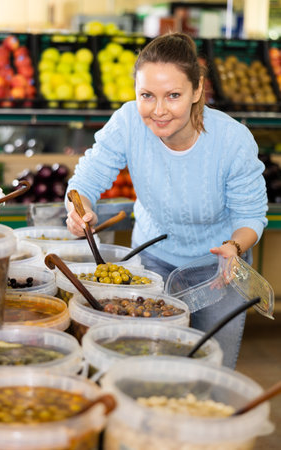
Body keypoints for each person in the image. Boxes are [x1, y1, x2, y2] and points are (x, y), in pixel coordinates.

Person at [64, 32, 268, 368]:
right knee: (147, 367)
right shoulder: (128, 122)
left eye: (173, 95)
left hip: (220, 270)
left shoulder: (232, 140)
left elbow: (251, 215)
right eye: (147, 95)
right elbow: (86, 180)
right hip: (151, 266)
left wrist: (234, 246)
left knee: (211, 369)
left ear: (197, 90)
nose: (158, 111)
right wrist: (78, 209)